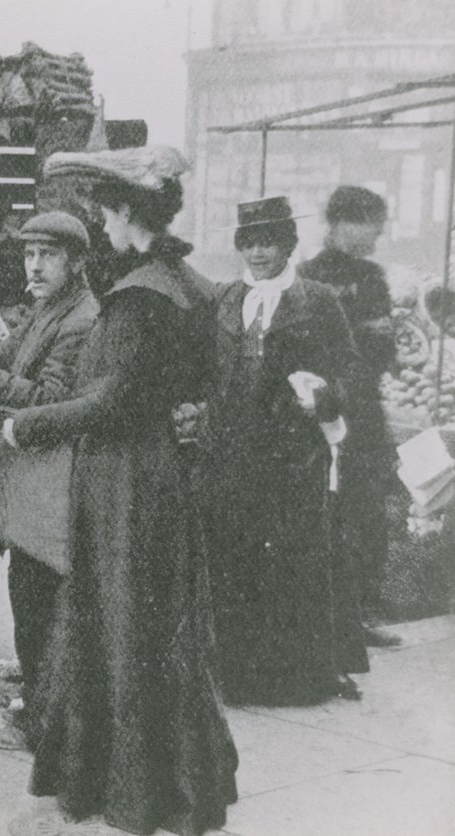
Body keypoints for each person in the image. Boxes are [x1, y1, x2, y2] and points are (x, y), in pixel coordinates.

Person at [0, 146, 238, 836]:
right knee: (148, 629)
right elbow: (188, 384)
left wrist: (27, 424)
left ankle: (136, 795)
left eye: (105, 212)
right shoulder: (182, 281)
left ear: (130, 213)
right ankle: (159, 783)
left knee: (122, 625)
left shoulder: (141, 297)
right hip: (152, 473)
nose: (100, 225)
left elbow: (110, 402)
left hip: (127, 482)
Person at [0, 211, 99, 750]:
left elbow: (56, 401)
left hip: (55, 477)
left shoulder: (81, 319)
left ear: (75, 263)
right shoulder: (46, 308)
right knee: (30, 588)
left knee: (39, 591)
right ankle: (46, 694)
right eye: (29, 255)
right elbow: (8, 354)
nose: (34, 266)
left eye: (47, 256)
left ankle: (44, 725)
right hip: (32, 475)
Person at [203, 196, 368, 705]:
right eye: (249, 242)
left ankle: (297, 679)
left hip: (292, 458)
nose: (257, 252)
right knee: (236, 561)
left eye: (268, 242)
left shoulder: (315, 299)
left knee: (292, 566)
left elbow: (350, 370)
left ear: (287, 245)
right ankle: (238, 677)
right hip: (232, 456)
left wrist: (322, 396)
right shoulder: (225, 298)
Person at [298, 186, 401, 647]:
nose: (377, 235)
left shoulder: (370, 276)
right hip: (323, 412)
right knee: (329, 511)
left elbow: (381, 349)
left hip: (357, 414)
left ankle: (359, 614)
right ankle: (331, 615)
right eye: (370, 224)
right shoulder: (308, 276)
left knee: (365, 514)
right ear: (340, 222)